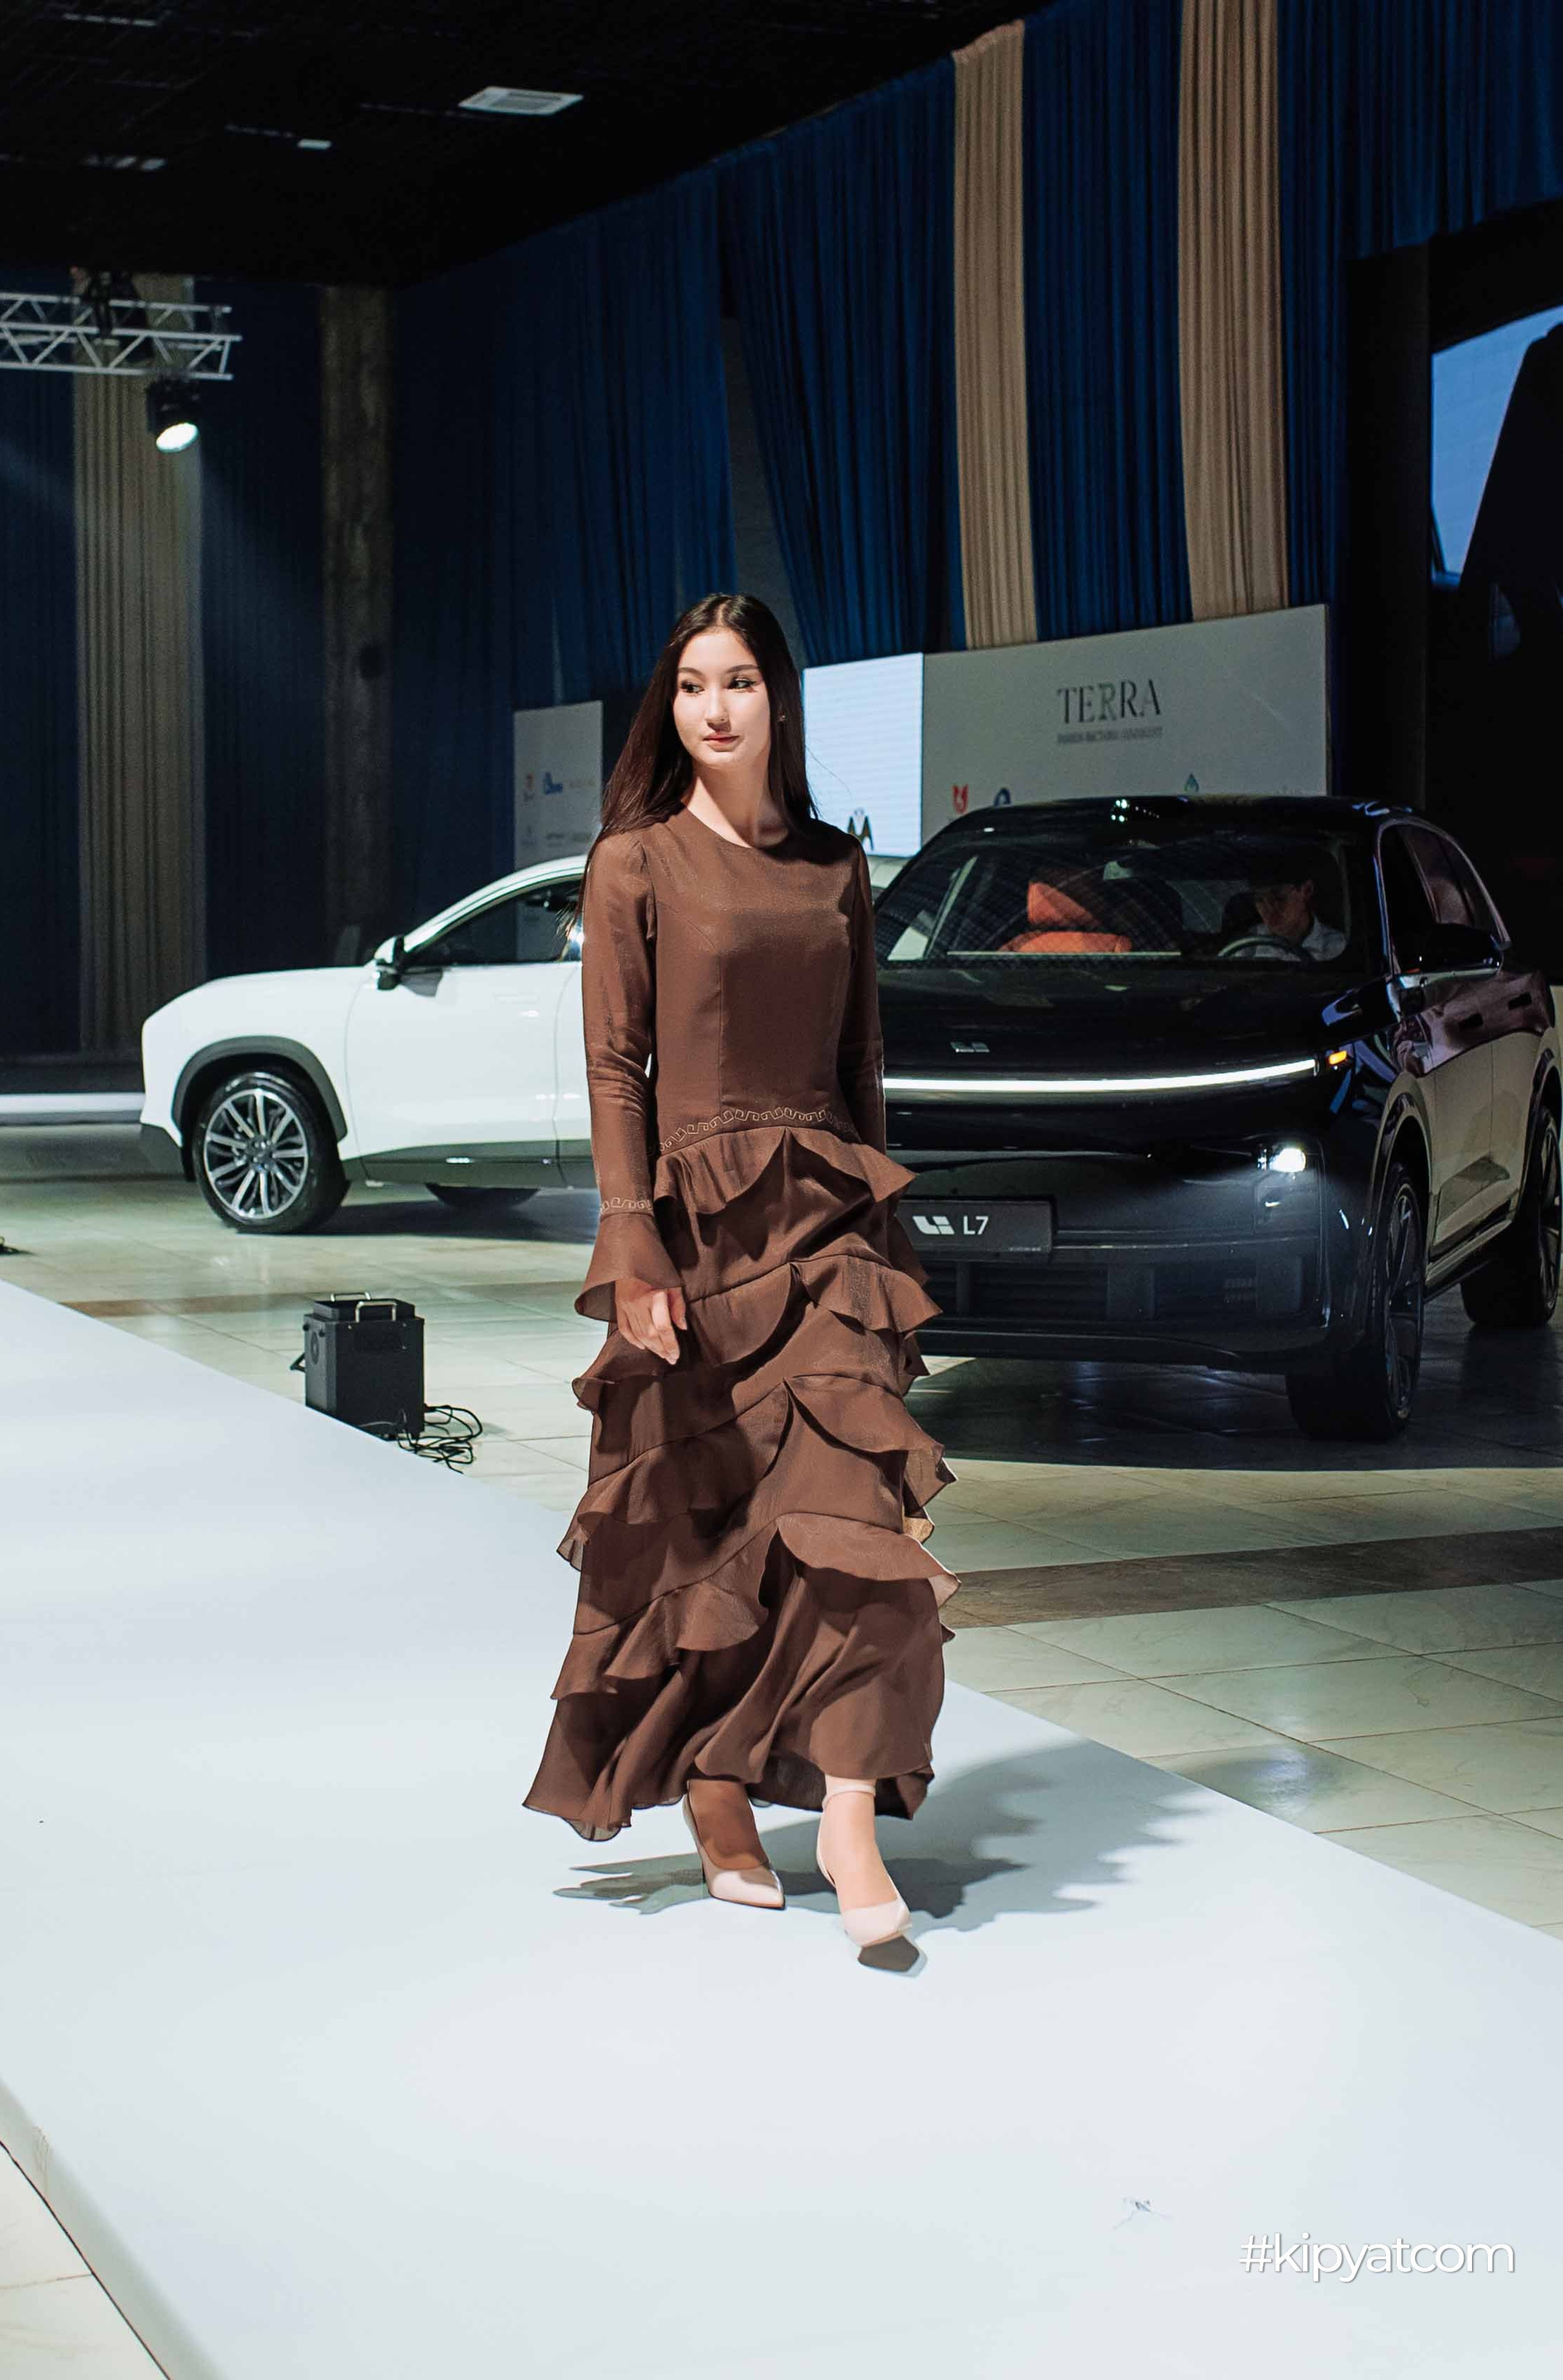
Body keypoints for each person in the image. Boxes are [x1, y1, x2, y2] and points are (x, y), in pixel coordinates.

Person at [522, 592, 960, 1954]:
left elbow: (861, 1065)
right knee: (711, 1538)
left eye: (743, 682)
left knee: (855, 1523)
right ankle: (716, 1786)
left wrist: (885, 1240)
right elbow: (615, 1068)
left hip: (827, 1228)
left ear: (781, 700)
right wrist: (630, 1238)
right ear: (672, 705)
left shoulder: (837, 864)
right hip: (695, 1235)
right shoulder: (635, 861)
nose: (717, 708)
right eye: (695, 684)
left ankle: (845, 1813)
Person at [1235, 847, 1347, 960]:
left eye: (1279, 898)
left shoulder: (1337, 948)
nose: (1268, 908)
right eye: (1259, 899)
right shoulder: (1247, 945)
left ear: (1306, 891)